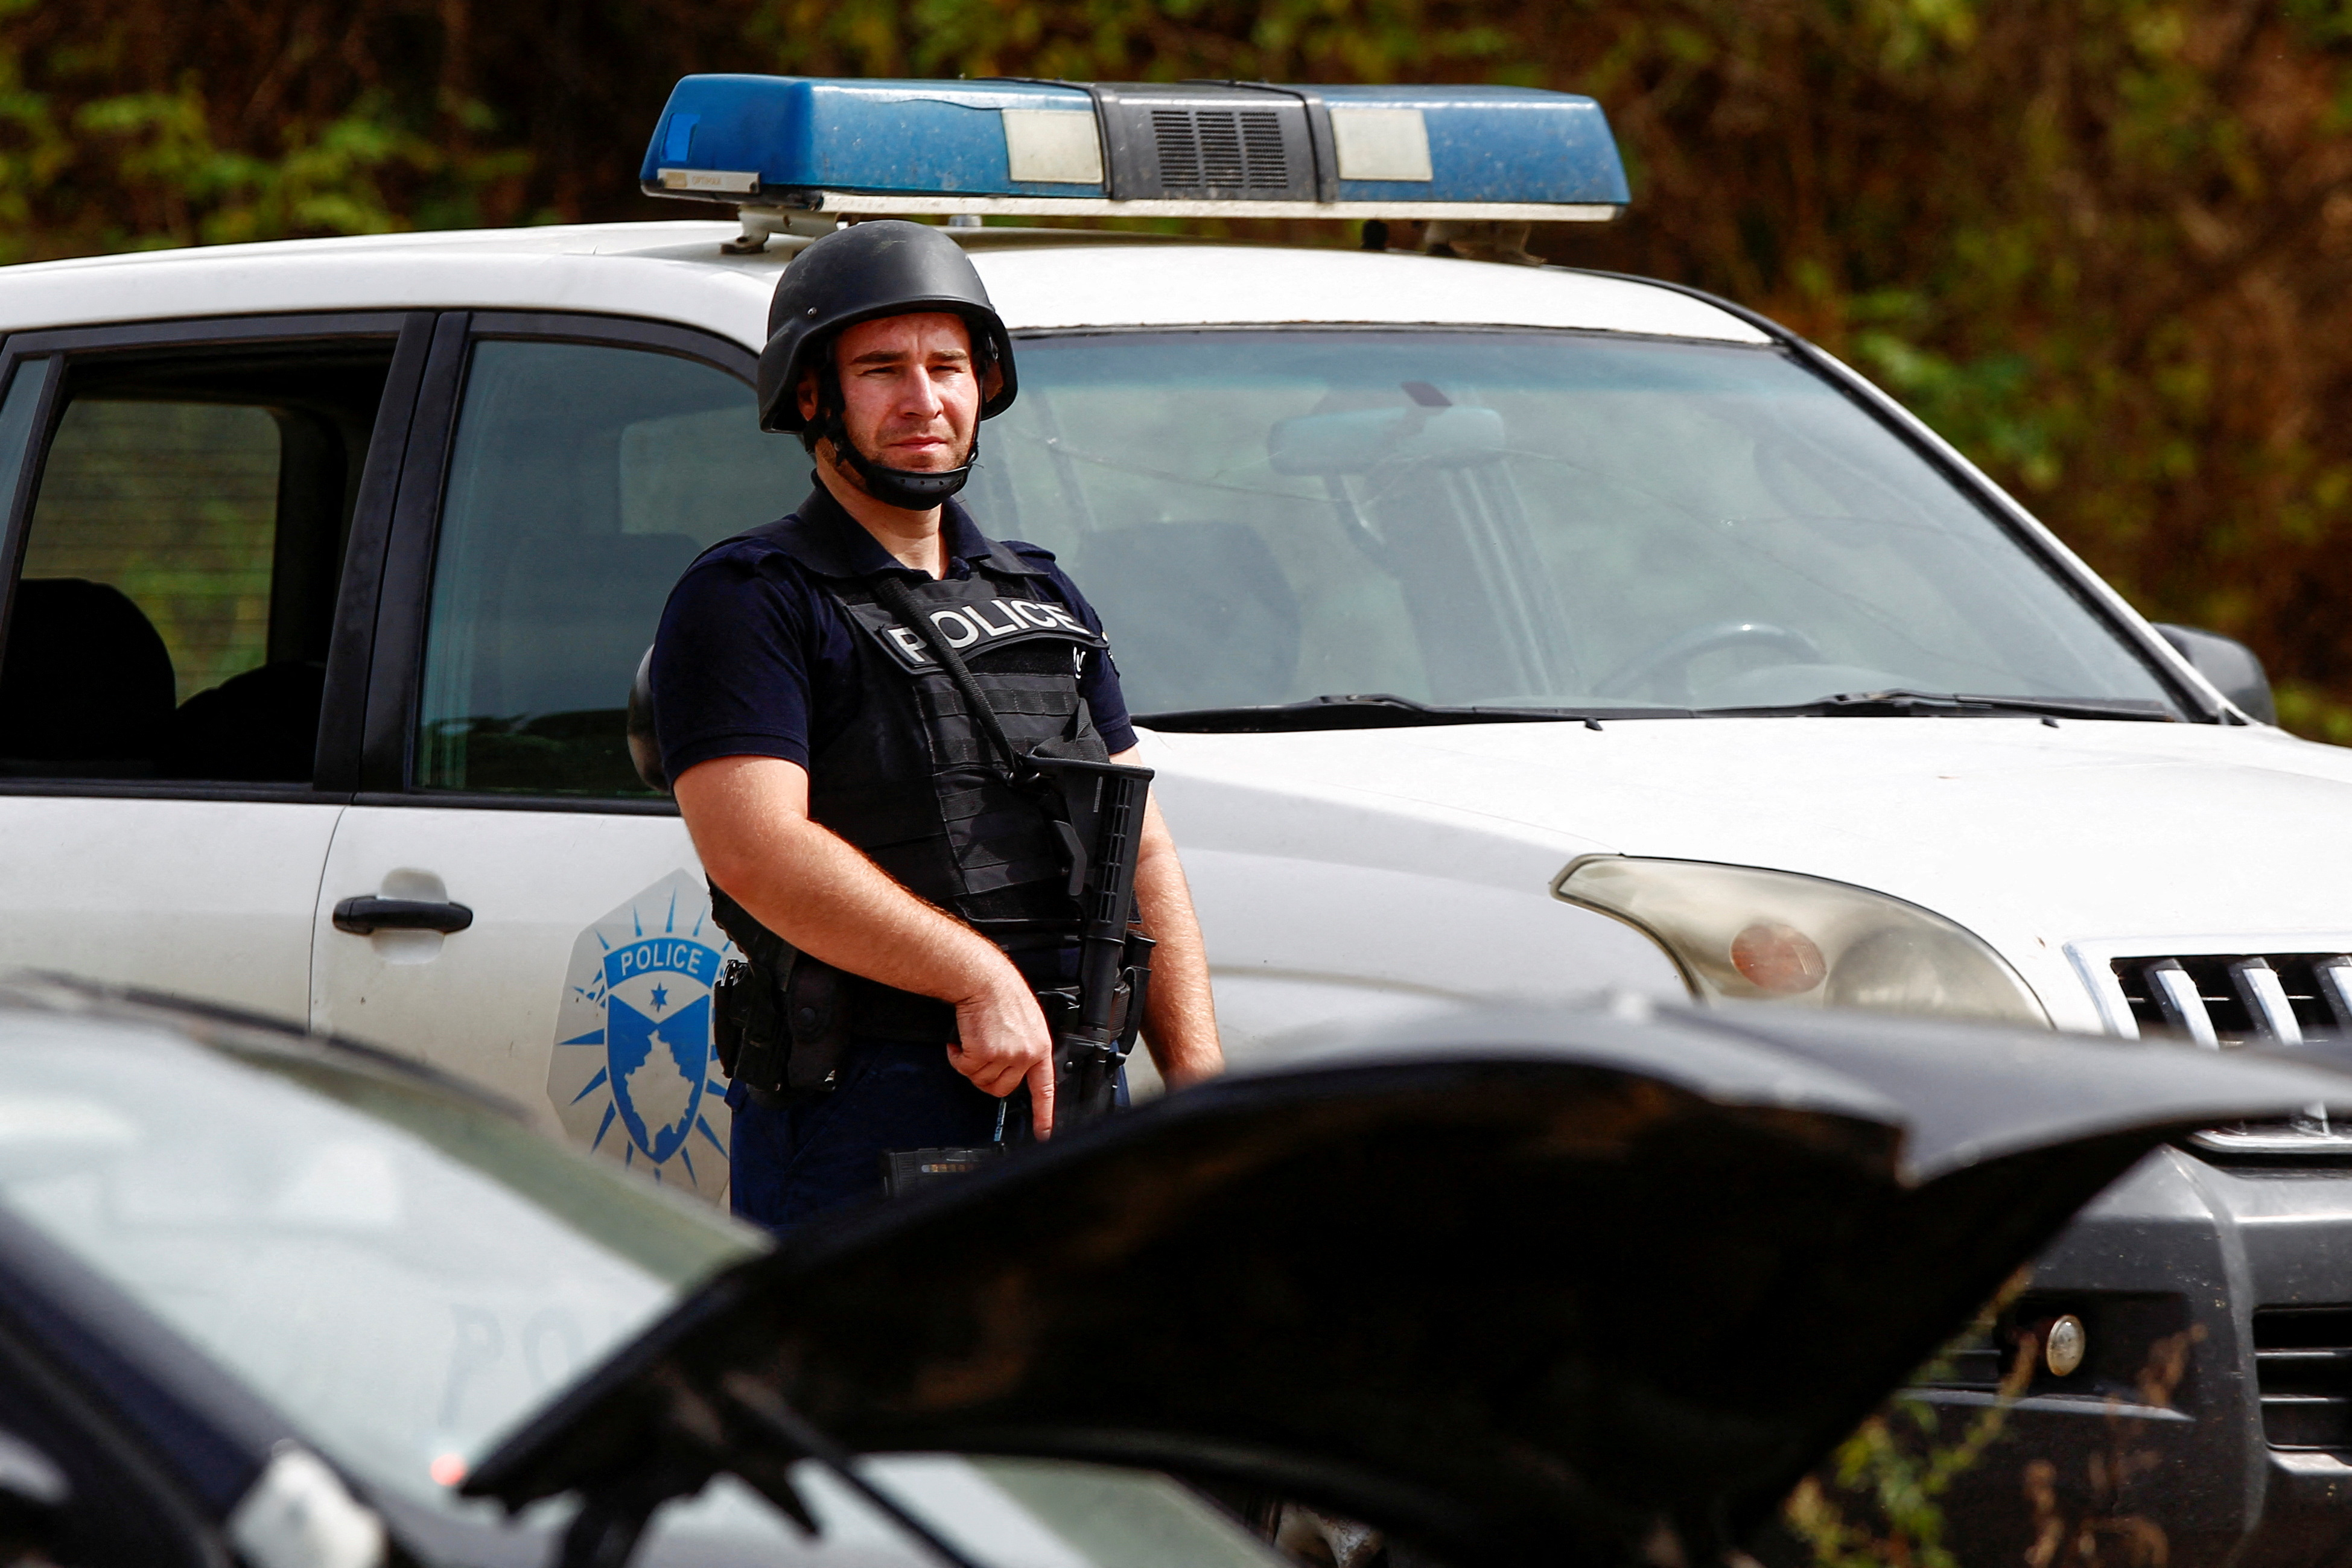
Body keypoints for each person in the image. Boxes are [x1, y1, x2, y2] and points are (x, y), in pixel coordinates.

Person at [648, 220, 1224, 1234]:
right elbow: (754, 847)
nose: (924, 399)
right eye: (882, 369)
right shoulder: (750, 596)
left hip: (1073, 1085)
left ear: (982, 385)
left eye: (947, 365)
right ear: (813, 396)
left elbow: (1141, 845)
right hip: (865, 1100)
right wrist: (974, 975)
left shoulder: (1040, 591)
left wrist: (1203, 1088)